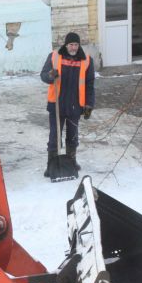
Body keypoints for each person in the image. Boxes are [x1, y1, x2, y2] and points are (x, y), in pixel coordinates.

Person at [40, 32, 95, 176]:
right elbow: (43, 75)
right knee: (54, 136)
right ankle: (51, 164)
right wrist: (51, 75)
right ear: (66, 45)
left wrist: (89, 105)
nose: (74, 47)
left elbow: (89, 84)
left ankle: (71, 162)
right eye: (71, 44)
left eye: (76, 44)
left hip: (75, 106)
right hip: (56, 104)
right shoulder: (54, 56)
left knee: (73, 136)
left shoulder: (86, 60)